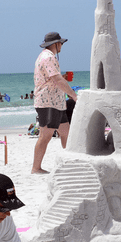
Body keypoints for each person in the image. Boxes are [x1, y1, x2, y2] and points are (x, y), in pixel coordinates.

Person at [32, 32, 77, 174]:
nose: (62, 46)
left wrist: (62, 78)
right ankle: (36, 168)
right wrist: (73, 95)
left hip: (56, 103)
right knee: (45, 136)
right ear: (56, 44)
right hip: (48, 102)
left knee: (65, 132)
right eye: (61, 43)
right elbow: (57, 80)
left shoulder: (45, 57)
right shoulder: (48, 57)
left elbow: (53, 78)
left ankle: (69, 163)